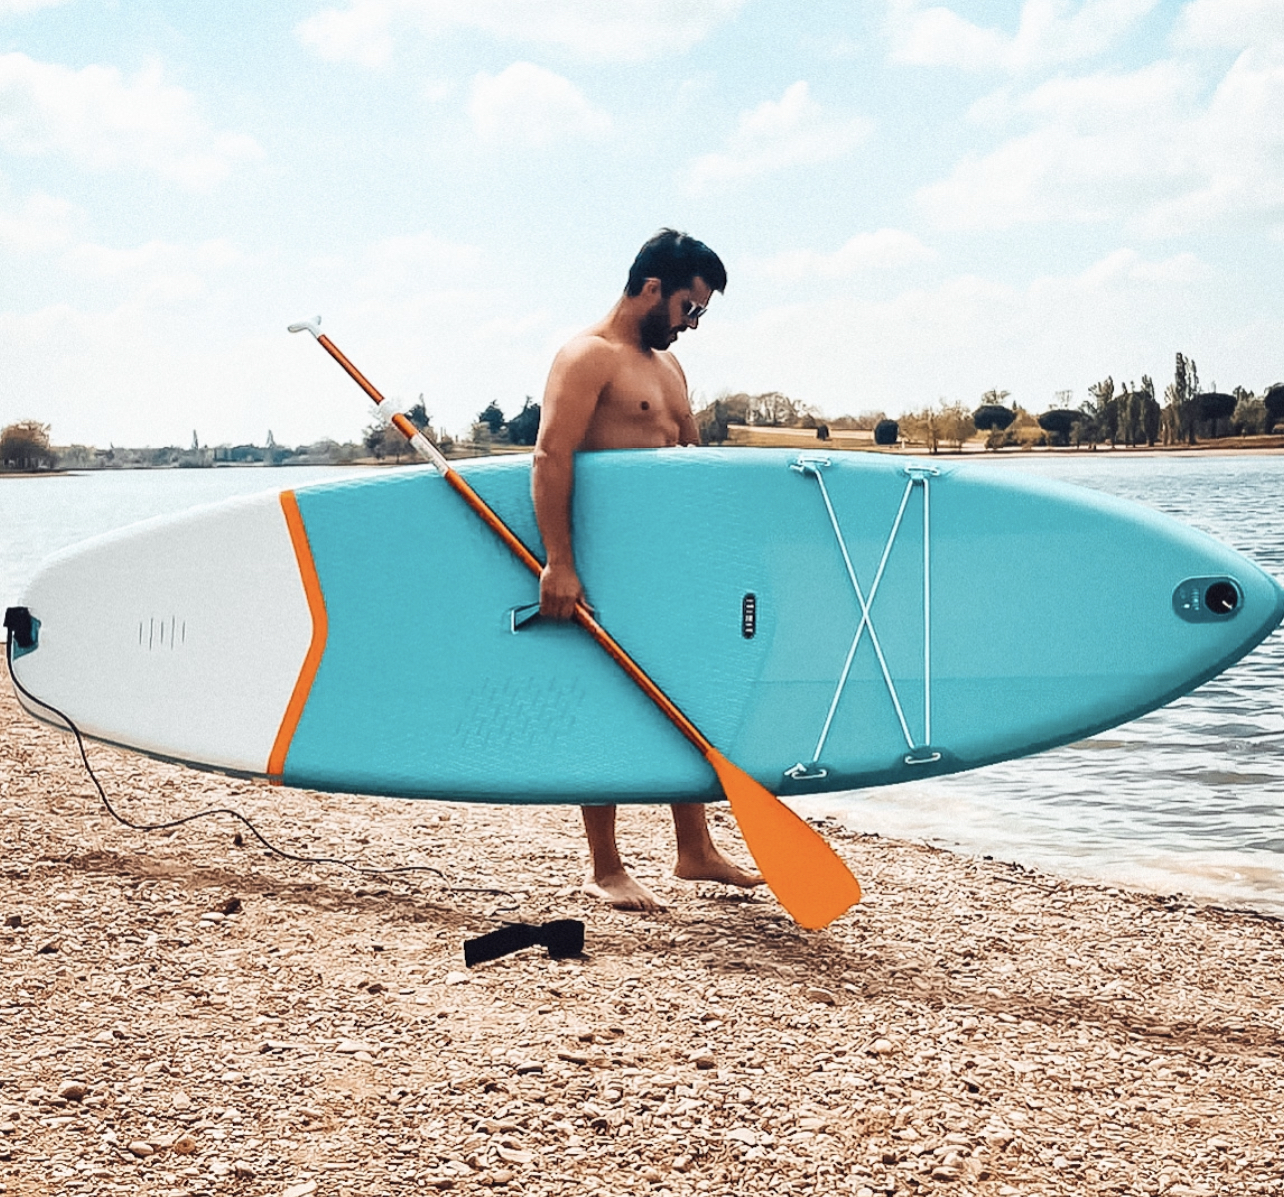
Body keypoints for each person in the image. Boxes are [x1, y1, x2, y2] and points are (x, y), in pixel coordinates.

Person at [532, 229, 765, 911]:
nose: (692, 324)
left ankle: (695, 849)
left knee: (685, 697)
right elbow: (551, 457)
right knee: (606, 702)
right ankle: (605, 866)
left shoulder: (670, 369)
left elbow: (690, 469)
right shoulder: (586, 357)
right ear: (653, 288)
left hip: (671, 567)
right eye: (690, 308)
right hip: (604, 562)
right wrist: (559, 562)